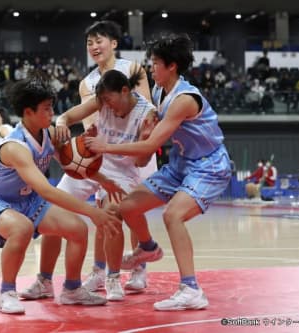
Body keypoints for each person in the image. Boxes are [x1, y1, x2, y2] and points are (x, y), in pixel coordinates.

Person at [85, 34, 232, 311]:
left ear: (172, 66)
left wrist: (106, 146)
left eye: (155, 64)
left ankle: (191, 289)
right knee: (123, 207)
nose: (151, 69)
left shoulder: (184, 99)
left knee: (172, 215)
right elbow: (151, 122)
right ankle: (148, 248)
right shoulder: (159, 92)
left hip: (208, 166)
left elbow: (152, 145)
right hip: (180, 163)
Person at [0, 76, 122, 314]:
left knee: (78, 229)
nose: (52, 112)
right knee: (21, 228)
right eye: (46, 108)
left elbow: (74, 163)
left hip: (28, 201)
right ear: (28, 112)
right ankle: (7, 292)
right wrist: (92, 211)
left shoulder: (50, 134)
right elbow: (46, 190)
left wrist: (105, 181)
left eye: (52, 106)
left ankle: (71, 289)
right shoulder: (15, 147)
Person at [34, 20, 156, 295]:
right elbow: (91, 116)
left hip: (133, 151)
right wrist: (88, 148)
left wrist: (140, 142)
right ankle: (96, 273)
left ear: (114, 43)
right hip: (101, 153)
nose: (94, 47)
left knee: (133, 213)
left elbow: (147, 113)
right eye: (89, 43)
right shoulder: (87, 83)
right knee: (98, 211)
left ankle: (138, 269)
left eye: (99, 41)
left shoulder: (132, 69)